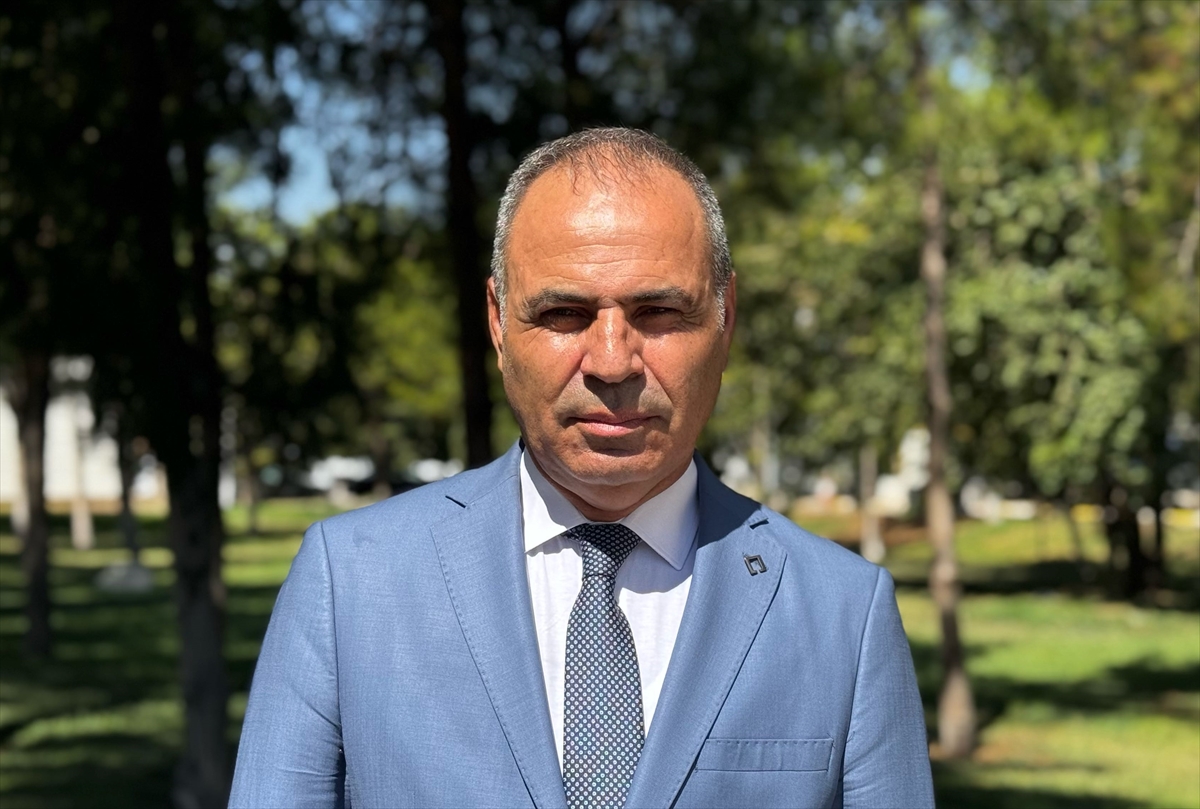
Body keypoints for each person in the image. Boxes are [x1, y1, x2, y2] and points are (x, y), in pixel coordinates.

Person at [229, 127, 934, 809]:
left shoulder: (844, 612)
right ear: (498, 322)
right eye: (565, 313)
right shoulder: (350, 582)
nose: (612, 361)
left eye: (658, 311)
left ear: (726, 318)